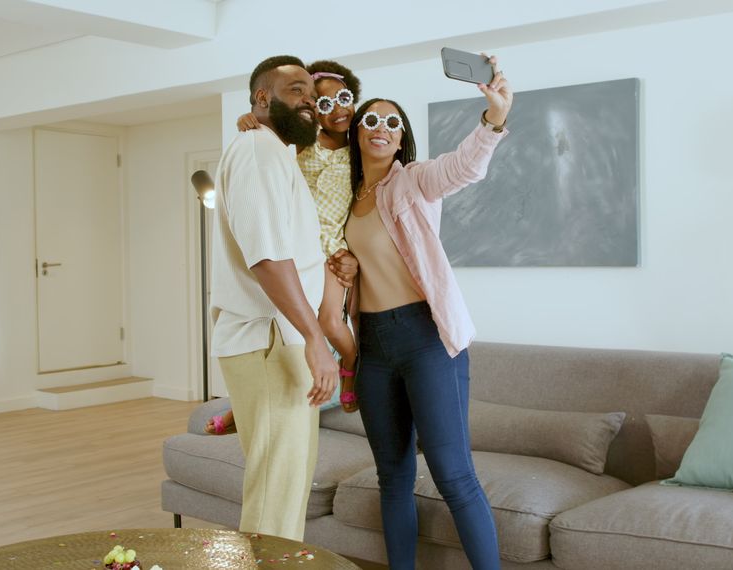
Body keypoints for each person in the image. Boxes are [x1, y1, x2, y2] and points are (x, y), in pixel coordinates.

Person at [344, 56, 513, 569]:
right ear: (355, 133)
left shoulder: (414, 182)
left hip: (425, 339)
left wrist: (493, 120)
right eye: (371, 119)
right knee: (392, 477)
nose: (381, 128)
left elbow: (463, 168)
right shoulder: (345, 200)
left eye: (392, 122)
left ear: (401, 139)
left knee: (452, 474)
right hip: (373, 347)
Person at [208, 54, 354, 541]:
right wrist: (315, 338)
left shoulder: (274, 152)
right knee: (277, 493)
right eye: (297, 91)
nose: (310, 103)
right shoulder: (257, 151)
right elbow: (268, 258)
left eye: (314, 97)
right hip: (273, 338)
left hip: (279, 341)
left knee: (285, 487)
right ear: (261, 98)